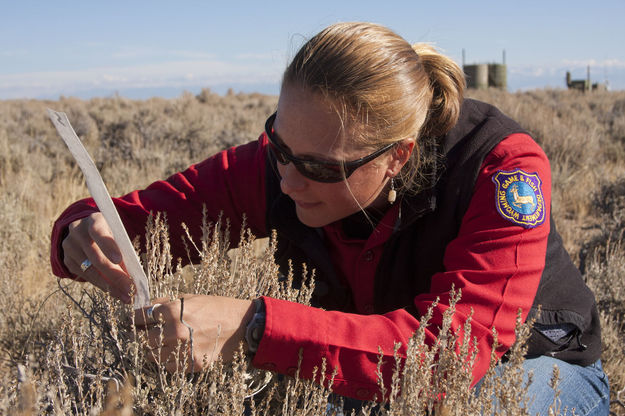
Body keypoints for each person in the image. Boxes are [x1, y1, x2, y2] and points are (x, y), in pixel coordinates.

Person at [50, 22, 609, 414]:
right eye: (278, 144)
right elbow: (132, 221)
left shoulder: (501, 168)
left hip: (538, 370)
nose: (289, 179)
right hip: (365, 374)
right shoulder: (288, 159)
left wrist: (254, 328)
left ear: (399, 156)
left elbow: (445, 364)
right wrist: (83, 235)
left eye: (320, 167)